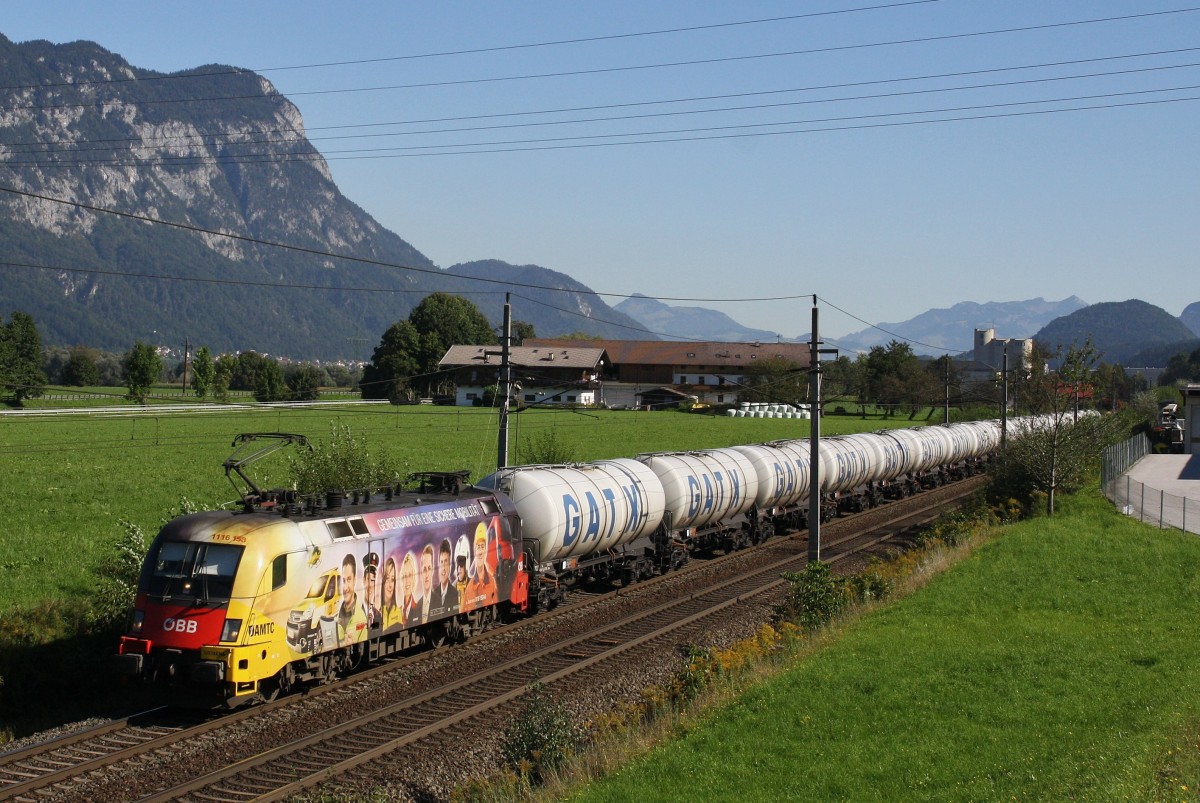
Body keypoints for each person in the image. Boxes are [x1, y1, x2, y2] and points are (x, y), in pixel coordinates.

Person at [463, 522, 498, 612]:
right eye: (478, 547)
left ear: (486, 551)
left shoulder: (492, 582)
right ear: (474, 551)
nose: (480, 552)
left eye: (482, 547)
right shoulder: (469, 587)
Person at [336, 553, 368, 646]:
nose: (345, 587)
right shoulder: (336, 615)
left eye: (349, 579)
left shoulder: (362, 617)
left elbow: (364, 646)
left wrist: (353, 644)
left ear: (355, 580)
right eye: (344, 580)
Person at [432, 538, 459, 615]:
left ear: (450, 565)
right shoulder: (433, 595)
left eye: (446, 562)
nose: (443, 568)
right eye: (441, 562)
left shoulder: (455, 594)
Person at [380, 556, 403, 631]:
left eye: (392, 580)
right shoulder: (377, 614)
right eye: (387, 579)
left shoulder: (398, 613)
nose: (390, 585)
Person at [400, 551, 420, 627]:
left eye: (410, 575)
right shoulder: (398, 611)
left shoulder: (419, 609)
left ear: (414, 579)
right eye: (405, 576)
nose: (407, 580)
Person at [362, 551, 381, 630]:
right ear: (363, 580)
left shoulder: (378, 615)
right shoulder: (356, 612)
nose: (370, 585)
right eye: (368, 579)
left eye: (373, 580)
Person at [418, 544, 436, 624]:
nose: (427, 575)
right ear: (421, 573)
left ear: (432, 571)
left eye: (429, 568)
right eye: (424, 569)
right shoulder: (416, 607)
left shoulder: (439, 602)